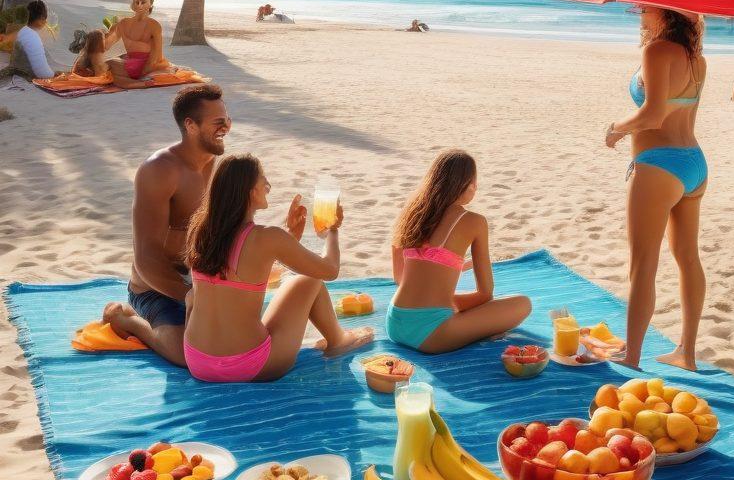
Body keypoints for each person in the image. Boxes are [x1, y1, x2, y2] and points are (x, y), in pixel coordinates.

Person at [183, 155, 373, 382]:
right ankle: (338, 341)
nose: (268, 187)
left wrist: (290, 237)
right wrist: (332, 229)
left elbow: (241, 277)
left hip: (198, 363)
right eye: (265, 181)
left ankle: (337, 339)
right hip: (249, 365)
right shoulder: (268, 237)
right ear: (251, 191)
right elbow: (329, 269)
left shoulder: (202, 233)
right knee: (309, 280)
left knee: (194, 296)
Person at [605, 7, 708, 372]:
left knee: (643, 264)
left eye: (645, 6)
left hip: (658, 165)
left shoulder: (657, 51)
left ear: (666, 12)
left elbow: (652, 115)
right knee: (688, 257)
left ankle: (630, 357)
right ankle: (687, 354)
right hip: (694, 163)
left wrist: (616, 128)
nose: (638, 11)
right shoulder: (696, 58)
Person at [103, 84, 231, 366]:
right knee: (188, 356)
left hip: (201, 279)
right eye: (218, 122)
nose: (227, 127)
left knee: (237, 343)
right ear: (191, 125)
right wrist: (191, 296)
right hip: (156, 287)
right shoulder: (160, 170)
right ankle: (128, 319)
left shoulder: (219, 168)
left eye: (227, 120)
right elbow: (146, 256)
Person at [387, 149, 531, 353]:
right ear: (467, 184)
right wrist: (449, 304)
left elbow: (400, 278)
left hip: (395, 322)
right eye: (474, 181)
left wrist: (442, 293)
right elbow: (485, 294)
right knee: (522, 304)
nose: (476, 187)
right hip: (431, 335)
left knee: (446, 304)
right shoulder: (474, 221)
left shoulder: (411, 214)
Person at [104, 0, 171, 84]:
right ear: (133, 4)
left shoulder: (154, 25)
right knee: (104, 66)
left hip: (145, 64)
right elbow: (107, 45)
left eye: (143, 2)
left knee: (108, 64)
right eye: (137, 2)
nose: (139, 5)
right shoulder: (123, 23)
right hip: (131, 61)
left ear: (150, 4)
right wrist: (106, 33)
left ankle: (136, 83)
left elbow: (158, 56)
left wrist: (143, 72)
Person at [13, 0, 63, 79]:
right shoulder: (32, 37)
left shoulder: (24, 31)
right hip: (27, 81)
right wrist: (55, 76)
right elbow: (42, 73)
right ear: (41, 18)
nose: (46, 22)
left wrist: (53, 73)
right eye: (45, 18)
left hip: (19, 75)